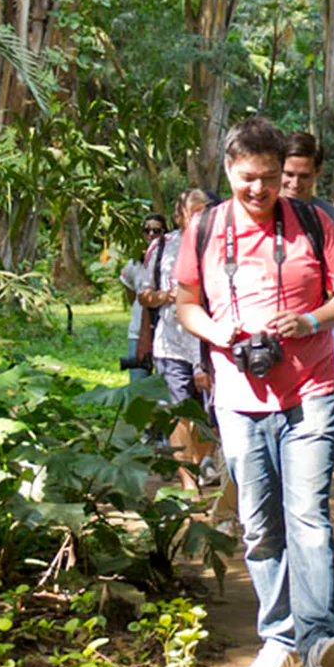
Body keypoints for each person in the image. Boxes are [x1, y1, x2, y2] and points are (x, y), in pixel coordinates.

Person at [175, 116, 334, 667]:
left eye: (269, 177)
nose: (258, 189)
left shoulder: (314, 223)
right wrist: (217, 332)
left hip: (309, 388)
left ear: (285, 173)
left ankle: (318, 637)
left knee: (307, 515)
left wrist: (307, 319)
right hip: (238, 395)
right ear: (228, 170)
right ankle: (277, 637)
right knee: (259, 524)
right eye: (247, 177)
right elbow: (185, 302)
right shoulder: (205, 229)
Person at [143, 188, 216, 489]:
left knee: (211, 414)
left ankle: (201, 465)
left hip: (212, 342)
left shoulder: (224, 243)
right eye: (194, 210)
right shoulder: (162, 247)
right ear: (179, 216)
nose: (201, 216)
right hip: (172, 343)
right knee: (180, 410)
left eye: (206, 209)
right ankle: (188, 480)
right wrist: (166, 296)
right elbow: (145, 294)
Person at [280, 130, 334, 245]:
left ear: (318, 171)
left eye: (304, 176)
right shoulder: (257, 214)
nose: (295, 183)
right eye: (289, 174)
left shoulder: (333, 221)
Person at [119, 212, 170, 379]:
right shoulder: (135, 262)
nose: (151, 235)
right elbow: (130, 291)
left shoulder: (171, 258)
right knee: (139, 384)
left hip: (166, 330)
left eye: (156, 231)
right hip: (138, 331)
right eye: (147, 230)